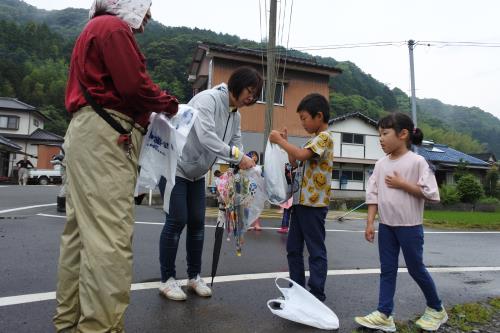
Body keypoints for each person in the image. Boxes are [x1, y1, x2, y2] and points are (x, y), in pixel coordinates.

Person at [53, 1, 179, 332]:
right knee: (110, 238)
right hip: (107, 137)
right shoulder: (114, 29)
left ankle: (68, 323)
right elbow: (134, 87)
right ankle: (100, 328)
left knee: (79, 238)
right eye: (146, 6)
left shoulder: (94, 28)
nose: (148, 17)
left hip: (86, 132)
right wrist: (168, 103)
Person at [157, 66, 262, 301]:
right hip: (175, 167)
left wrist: (242, 163)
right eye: (250, 91)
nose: (251, 98)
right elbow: (206, 138)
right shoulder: (208, 100)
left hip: (196, 174)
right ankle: (167, 279)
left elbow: (237, 143)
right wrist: (237, 157)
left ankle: (194, 277)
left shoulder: (236, 114)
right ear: (237, 83)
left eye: (255, 95)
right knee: (177, 220)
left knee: (196, 222)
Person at [354, 112, 447, 332]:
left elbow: (432, 194)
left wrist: (402, 184)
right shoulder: (380, 164)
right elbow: (373, 194)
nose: (381, 138)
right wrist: (370, 223)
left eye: (385, 133)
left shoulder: (417, 162)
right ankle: (384, 313)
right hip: (387, 226)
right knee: (387, 269)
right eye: (379, 134)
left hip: (410, 227)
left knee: (416, 268)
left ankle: (436, 309)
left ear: (403, 134)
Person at [269, 93, 334, 302]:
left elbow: (301, 155)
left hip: (313, 205)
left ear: (319, 116)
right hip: (300, 203)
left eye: (305, 118)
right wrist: (286, 144)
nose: (303, 123)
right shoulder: (313, 140)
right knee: (293, 248)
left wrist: (280, 141)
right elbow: (296, 162)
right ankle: (296, 289)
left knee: (315, 250)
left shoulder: (324, 137)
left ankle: (316, 294)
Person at [247, 150, 263, 231]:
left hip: (258, 190)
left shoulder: (259, 167)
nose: (254, 157)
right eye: (252, 155)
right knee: (248, 206)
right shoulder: (247, 167)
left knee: (257, 207)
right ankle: (248, 223)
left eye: (255, 155)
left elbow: (260, 175)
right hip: (248, 189)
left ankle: (256, 224)